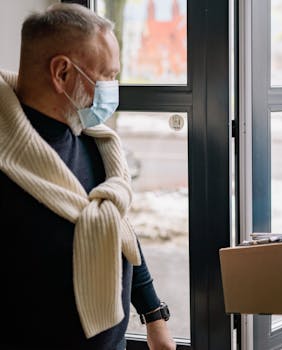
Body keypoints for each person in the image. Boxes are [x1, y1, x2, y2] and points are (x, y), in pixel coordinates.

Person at [0, 3, 176, 349]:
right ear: (62, 73)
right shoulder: (9, 166)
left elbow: (117, 228)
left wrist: (155, 318)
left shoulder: (96, 144)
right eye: (108, 75)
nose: (114, 87)